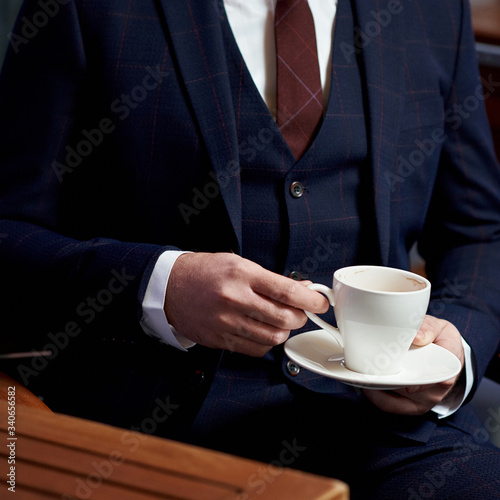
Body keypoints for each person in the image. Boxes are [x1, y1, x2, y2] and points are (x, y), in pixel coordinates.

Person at [1, 0, 499, 497]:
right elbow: (10, 231)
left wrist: (455, 349)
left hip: (390, 434)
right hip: (150, 426)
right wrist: (162, 287)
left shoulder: (433, 9)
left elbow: (479, 230)